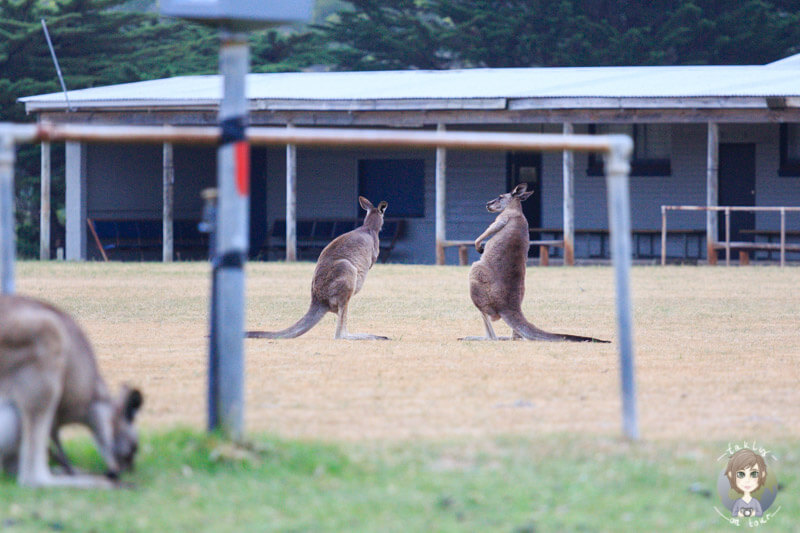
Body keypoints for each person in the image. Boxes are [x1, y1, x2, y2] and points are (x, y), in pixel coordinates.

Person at [724, 449, 767, 517]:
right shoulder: (738, 502)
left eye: (754, 474)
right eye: (741, 474)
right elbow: (734, 513)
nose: (747, 480)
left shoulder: (755, 502)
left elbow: (760, 513)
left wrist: (753, 513)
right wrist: (740, 514)